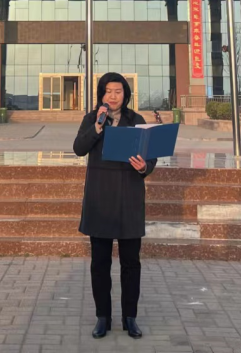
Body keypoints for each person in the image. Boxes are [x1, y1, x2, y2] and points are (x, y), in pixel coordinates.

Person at [73, 72, 157, 340]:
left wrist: (144, 166)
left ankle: (130, 317)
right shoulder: (92, 119)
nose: (113, 96)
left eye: (118, 91)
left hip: (129, 198)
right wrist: (98, 127)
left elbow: (151, 156)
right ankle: (103, 317)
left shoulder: (137, 121)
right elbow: (78, 148)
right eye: (108, 91)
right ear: (101, 94)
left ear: (125, 94)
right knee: (100, 263)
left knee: (131, 263)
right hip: (101, 200)